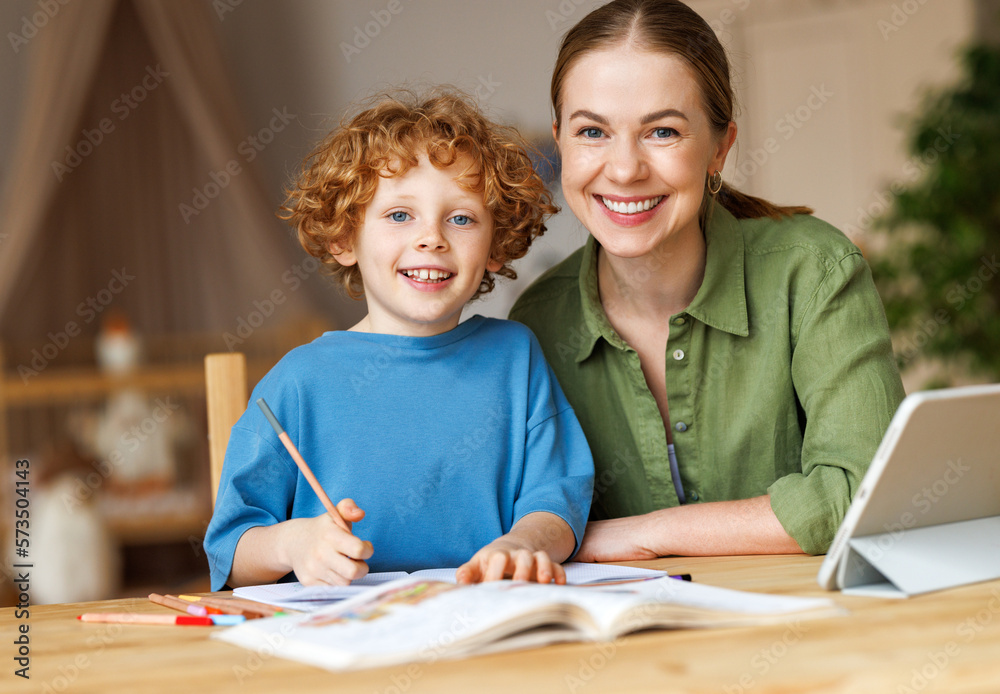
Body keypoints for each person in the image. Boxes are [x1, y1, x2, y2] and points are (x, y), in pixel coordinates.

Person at [510, 0, 905, 561]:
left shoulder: (814, 272)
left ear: (720, 147)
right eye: (592, 131)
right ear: (561, 140)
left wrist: (642, 533)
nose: (623, 169)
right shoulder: (536, 324)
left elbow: (864, 496)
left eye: (663, 131)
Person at [204, 91, 594, 591]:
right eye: (399, 215)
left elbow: (556, 503)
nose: (432, 237)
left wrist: (521, 544)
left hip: (485, 625)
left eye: (461, 218)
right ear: (344, 239)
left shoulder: (516, 358)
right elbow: (229, 552)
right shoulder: (299, 382)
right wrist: (295, 544)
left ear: (495, 247)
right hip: (340, 642)